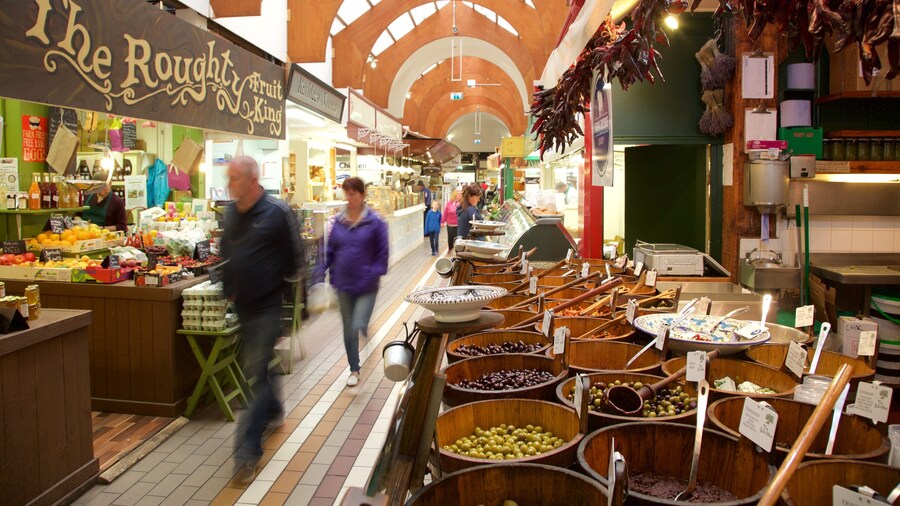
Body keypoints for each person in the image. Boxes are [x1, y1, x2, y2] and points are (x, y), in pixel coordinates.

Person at [221, 156, 304, 484]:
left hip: (268, 306)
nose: (230, 185)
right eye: (229, 179)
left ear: (253, 180)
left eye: (235, 179)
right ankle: (273, 412)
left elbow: (295, 258)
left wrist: (285, 298)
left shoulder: (277, 211)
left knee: (252, 377)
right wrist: (229, 286)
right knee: (262, 368)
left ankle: (246, 454)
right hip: (243, 307)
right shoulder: (230, 212)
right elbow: (226, 250)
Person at [324, 177, 389, 387]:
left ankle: (363, 325)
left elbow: (382, 251)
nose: (349, 198)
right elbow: (331, 249)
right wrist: (323, 271)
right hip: (343, 283)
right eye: (347, 193)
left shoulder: (375, 222)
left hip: (367, 284)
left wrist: (375, 272)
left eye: (353, 193)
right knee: (348, 328)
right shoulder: (338, 222)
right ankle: (354, 368)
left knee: (358, 322)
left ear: (362, 195)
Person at [441, 189, 460, 253]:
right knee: (450, 237)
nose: (459, 196)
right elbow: (445, 213)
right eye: (458, 194)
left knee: (457, 237)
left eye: (460, 195)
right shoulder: (449, 203)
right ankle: (450, 248)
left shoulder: (461, 203)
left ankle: (458, 250)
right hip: (450, 224)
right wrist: (442, 221)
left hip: (458, 224)